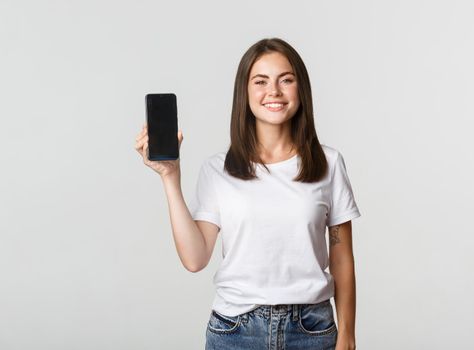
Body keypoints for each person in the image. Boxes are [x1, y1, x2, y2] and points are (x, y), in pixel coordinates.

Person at [134, 37, 361, 350]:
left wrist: (347, 335)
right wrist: (170, 178)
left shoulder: (329, 163)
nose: (274, 92)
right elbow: (195, 258)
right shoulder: (218, 169)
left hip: (312, 329)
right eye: (260, 81)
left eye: (286, 80)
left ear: (301, 89)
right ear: (245, 92)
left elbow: (341, 257)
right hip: (236, 331)